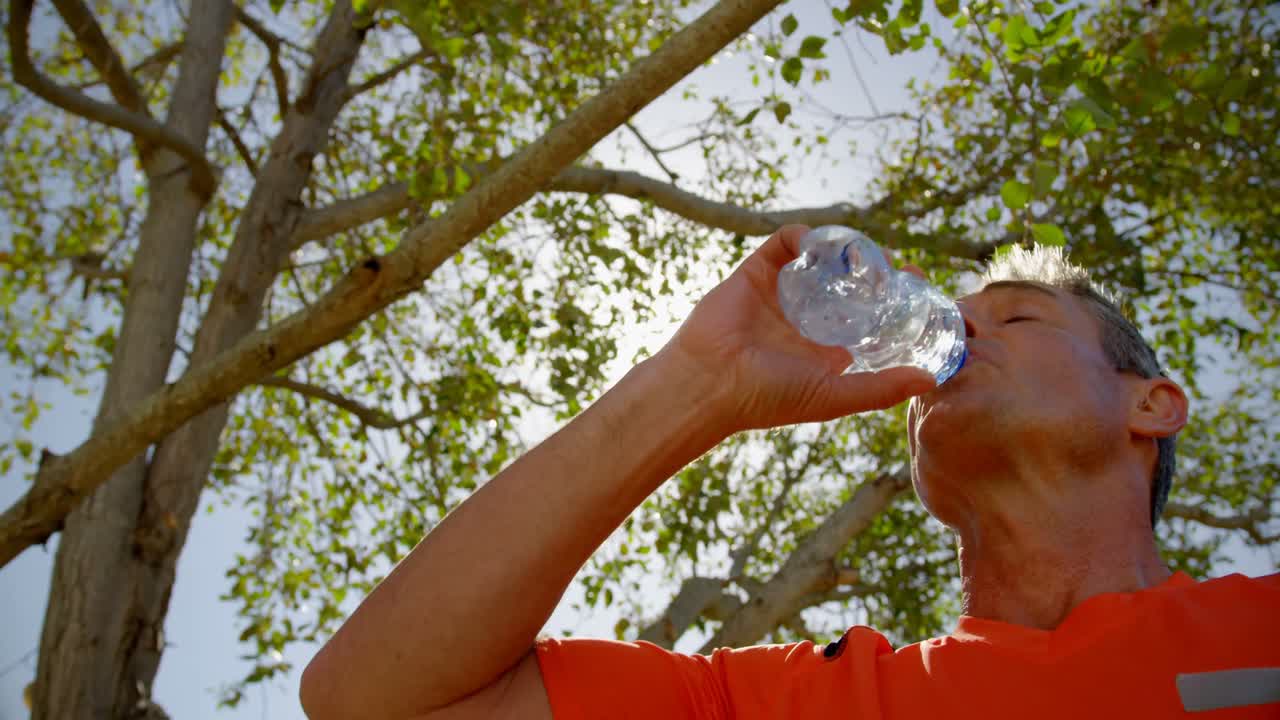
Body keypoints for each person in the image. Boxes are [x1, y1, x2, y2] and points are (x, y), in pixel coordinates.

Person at [299, 226, 1280, 719]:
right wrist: (697, 386)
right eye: (957, 311)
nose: (957, 325)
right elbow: (381, 702)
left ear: (1150, 404)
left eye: (1015, 315)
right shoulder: (811, 700)